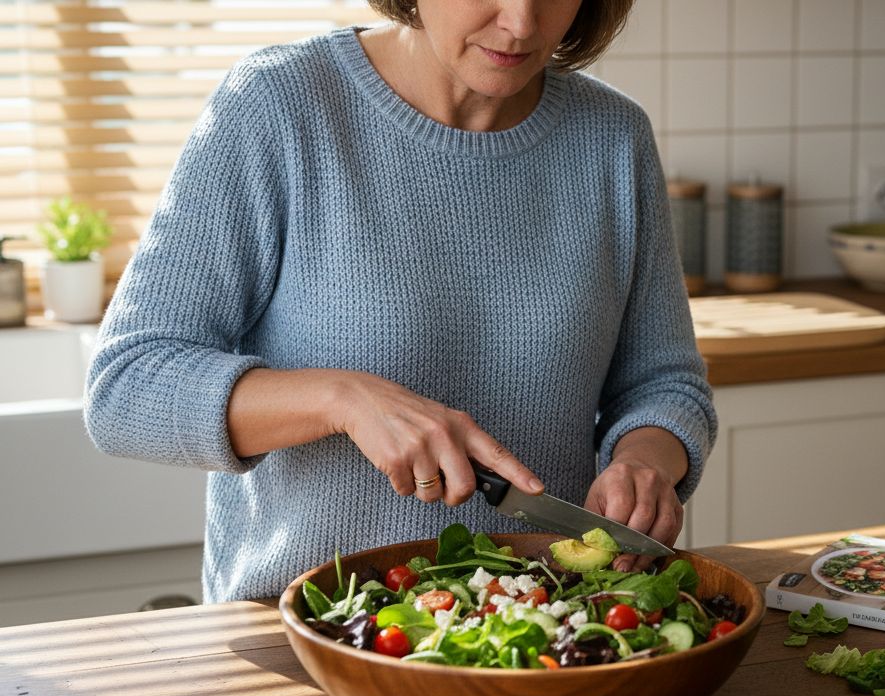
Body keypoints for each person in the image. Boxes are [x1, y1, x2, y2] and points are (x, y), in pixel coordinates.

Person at [84, 0, 716, 603]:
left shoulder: (613, 137)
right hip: (314, 626)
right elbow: (125, 387)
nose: (521, 23)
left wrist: (646, 460)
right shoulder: (278, 108)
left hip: (541, 628)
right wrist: (343, 399)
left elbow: (664, 384)